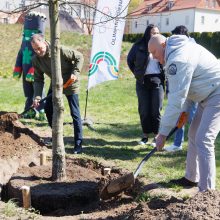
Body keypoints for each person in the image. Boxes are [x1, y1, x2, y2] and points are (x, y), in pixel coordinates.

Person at [148, 34, 220, 192]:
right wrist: (183, 117)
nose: (153, 57)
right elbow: (186, 92)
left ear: (164, 44)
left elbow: (175, 100)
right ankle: (191, 178)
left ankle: (207, 192)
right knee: (193, 135)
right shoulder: (176, 51)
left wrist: (163, 134)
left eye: (154, 52)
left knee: (204, 138)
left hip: (216, 93)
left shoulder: (178, 59)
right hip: (205, 95)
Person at [31, 33, 84, 154]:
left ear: (44, 42)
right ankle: (57, 136)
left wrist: (75, 73)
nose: (38, 51)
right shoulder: (36, 60)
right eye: (35, 49)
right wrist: (37, 97)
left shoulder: (59, 50)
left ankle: (78, 144)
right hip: (55, 84)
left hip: (70, 82)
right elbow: (38, 79)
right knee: (48, 108)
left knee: (75, 113)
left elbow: (79, 57)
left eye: (40, 48)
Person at [127, 24, 164, 146]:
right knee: (144, 110)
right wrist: (138, 74)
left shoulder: (163, 46)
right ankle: (145, 135)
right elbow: (130, 60)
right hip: (142, 81)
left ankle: (156, 136)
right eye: (153, 33)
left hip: (157, 80)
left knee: (156, 110)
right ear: (148, 33)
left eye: (158, 33)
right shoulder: (138, 46)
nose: (156, 35)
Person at [164, 25, 198, 152]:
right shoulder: (187, 46)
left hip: (190, 89)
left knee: (190, 117)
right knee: (183, 116)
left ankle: (190, 144)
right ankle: (179, 143)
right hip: (185, 87)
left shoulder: (189, 47)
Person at [13, 12, 46, 120]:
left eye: (31, 33)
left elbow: (40, 58)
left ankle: (42, 111)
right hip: (25, 72)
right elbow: (20, 55)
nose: (28, 36)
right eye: (26, 33)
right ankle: (30, 111)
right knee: (28, 92)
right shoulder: (24, 43)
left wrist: (33, 70)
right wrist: (18, 68)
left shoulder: (38, 46)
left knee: (38, 92)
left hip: (35, 73)